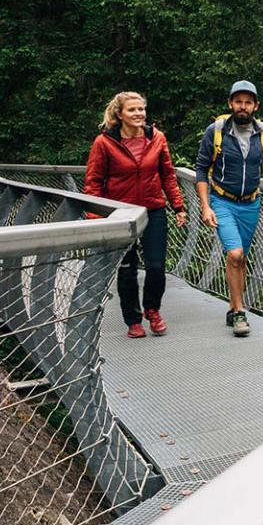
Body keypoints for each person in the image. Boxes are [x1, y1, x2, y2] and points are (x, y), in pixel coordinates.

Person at [85, 91, 187, 339]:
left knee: (156, 266)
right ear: (120, 114)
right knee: (127, 268)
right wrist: (95, 218)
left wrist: (178, 206)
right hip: (119, 214)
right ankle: (133, 320)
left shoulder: (157, 138)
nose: (139, 114)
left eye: (141, 109)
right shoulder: (104, 143)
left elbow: (168, 175)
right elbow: (93, 182)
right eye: (132, 110)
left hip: (153, 209)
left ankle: (152, 310)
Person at [195, 80, 263, 338]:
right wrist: (205, 206)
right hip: (222, 201)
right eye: (238, 101)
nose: (242, 106)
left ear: (255, 105)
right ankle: (240, 312)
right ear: (230, 103)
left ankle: (233, 306)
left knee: (241, 257)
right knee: (234, 255)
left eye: (247, 102)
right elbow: (201, 169)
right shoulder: (217, 131)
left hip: (251, 204)